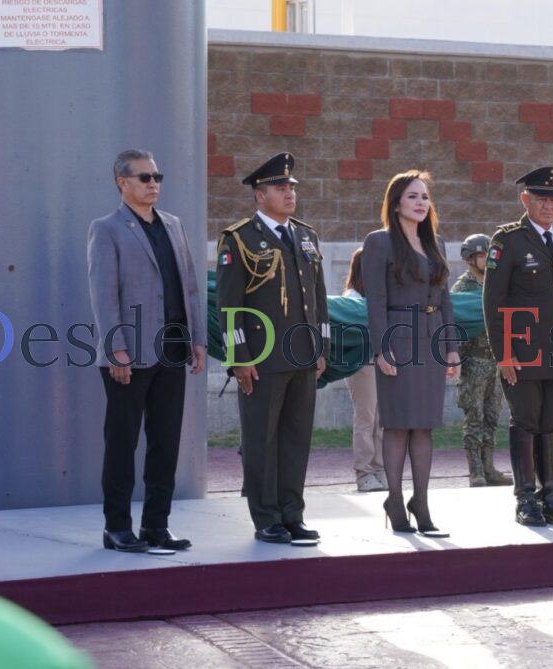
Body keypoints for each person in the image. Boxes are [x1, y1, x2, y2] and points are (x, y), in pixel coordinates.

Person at [88, 148, 206, 552]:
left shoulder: (173, 225)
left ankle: (157, 525)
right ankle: (116, 527)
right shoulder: (107, 229)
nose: (153, 183)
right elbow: (104, 296)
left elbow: (189, 286)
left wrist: (198, 339)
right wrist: (115, 349)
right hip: (129, 354)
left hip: (172, 350)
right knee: (122, 442)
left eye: (157, 176)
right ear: (123, 183)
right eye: (144, 177)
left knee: (165, 441)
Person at [215, 152, 329, 544]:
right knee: (261, 438)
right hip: (261, 360)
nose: (289, 194)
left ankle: (292, 513)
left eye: (291, 188)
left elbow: (318, 297)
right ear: (259, 194)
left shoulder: (306, 235)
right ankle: (266, 517)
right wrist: (238, 357)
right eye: (280, 188)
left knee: (296, 437)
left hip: (302, 355)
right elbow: (229, 306)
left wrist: (321, 346)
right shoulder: (240, 239)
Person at [361, 170, 460, 537]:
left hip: (432, 338)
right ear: (396, 202)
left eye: (425, 197)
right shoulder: (380, 242)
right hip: (398, 339)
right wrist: (382, 348)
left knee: (424, 425)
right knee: (398, 423)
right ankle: (395, 498)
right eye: (413, 196)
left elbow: (446, 299)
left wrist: (451, 347)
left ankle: (421, 501)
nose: (421, 203)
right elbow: (376, 301)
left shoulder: (437, 242)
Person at [483, 166, 553, 527]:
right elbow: (493, 302)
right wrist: (503, 353)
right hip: (523, 353)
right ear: (525, 199)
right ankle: (525, 500)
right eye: (541, 198)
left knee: (549, 424)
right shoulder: (507, 240)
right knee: (525, 421)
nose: (548, 205)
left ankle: (549, 498)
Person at [452, 233, 512, 488]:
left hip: (496, 361)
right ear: (469, 258)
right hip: (474, 362)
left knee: (492, 415)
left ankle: (489, 467)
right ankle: (475, 470)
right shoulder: (462, 289)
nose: (486, 259)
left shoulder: (497, 284)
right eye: (481, 255)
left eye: (489, 254)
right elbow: (454, 323)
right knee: (474, 415)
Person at [342, 249, 389, 493]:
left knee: (382, 419)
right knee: (366, 418)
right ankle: (364, 473)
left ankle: (379, 468)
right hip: (363, 362)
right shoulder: (352, 297)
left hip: (382, 361)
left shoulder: (378, 294)